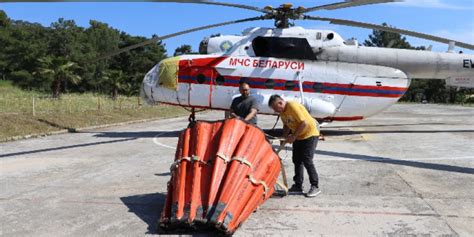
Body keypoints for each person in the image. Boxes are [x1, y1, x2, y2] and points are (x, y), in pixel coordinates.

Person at [268, 94, 321, 198]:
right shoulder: (282, 112)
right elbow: (287, 125)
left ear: (280, 103)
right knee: (297, 160)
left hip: (310, 134)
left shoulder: (292, 105)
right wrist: (284, 137)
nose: (275, 111)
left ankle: (315, 186)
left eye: (275, 108)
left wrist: (294, 136)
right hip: (299, 136)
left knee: (307, 160)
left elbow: (304, 123)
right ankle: (298, 185)